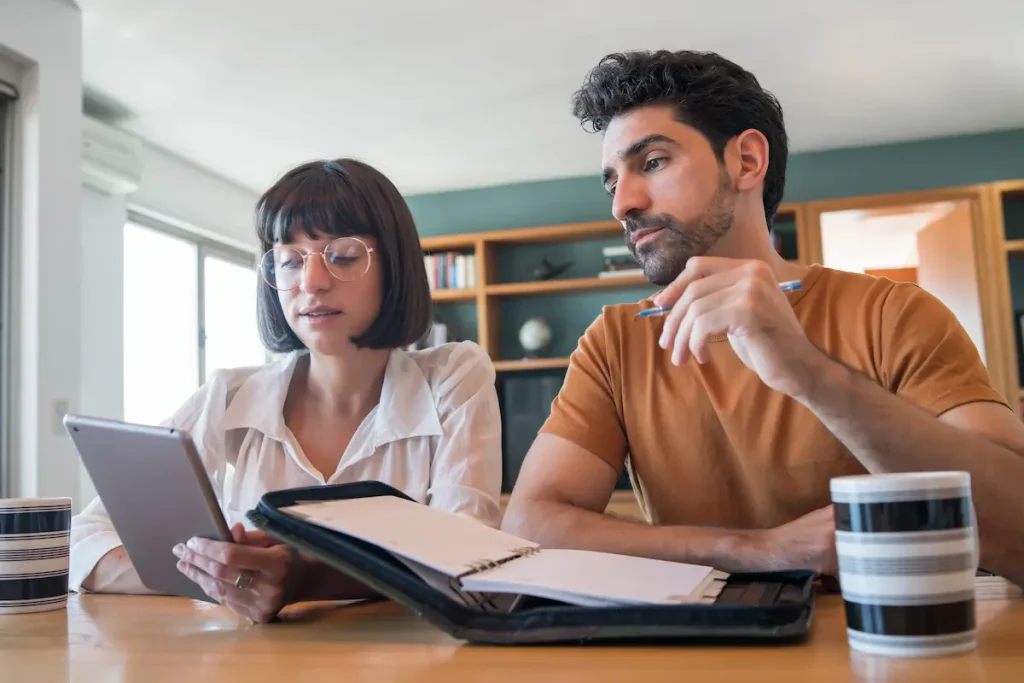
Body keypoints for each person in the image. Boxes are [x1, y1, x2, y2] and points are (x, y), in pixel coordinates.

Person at [501, 50, 1024, 586]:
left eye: (652, 162)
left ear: (747, 161)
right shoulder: (614, 343)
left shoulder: (895, 315)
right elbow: (532, 525)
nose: (622, 205)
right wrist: (761, 549)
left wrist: (808, 372)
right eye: (612, 182)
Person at [70, 158, 503, 622]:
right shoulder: (230, 394)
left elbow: (468, 553)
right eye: (290, 261)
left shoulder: (454, 375)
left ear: (393, 267)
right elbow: (84, 540)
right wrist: (221, 579)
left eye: (343, 256)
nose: (311, 283)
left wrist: (304, 578)